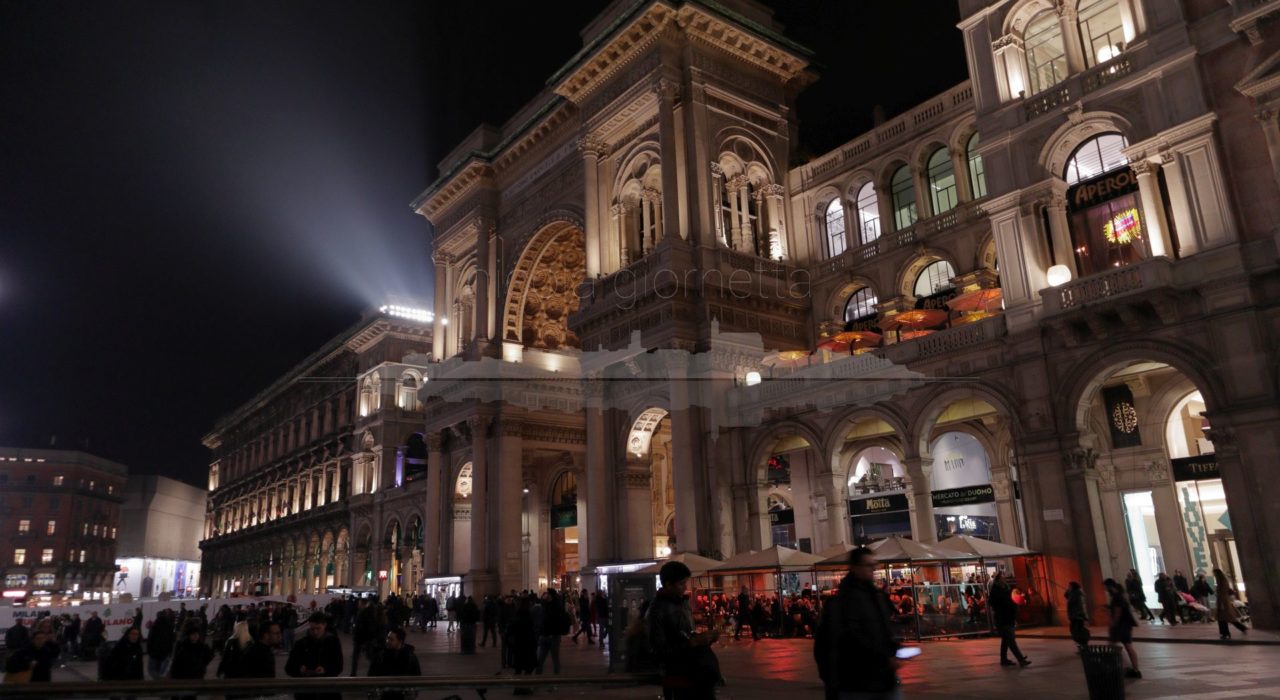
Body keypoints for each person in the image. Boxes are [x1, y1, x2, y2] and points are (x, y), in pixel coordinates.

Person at [813, 547, 900, 700]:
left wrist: (894, 650)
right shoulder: (842, 601)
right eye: (868, 565)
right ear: (855, 567)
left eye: (874, 565)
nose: (873, 569)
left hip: (883, 679)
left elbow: (884, 630)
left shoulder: (876, 596)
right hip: (855, 681)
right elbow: (847, 637)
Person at [648, 560, 722, 700]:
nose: (685, 587)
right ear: (669, 584)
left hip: (697, 672)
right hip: (678, 676)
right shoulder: (657, 610)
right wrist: (692, 643)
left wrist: (705, 638)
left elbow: (688, 635)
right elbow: (658, 651)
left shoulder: (683, 603)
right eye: (681, 583)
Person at [285, 613, 343, 700]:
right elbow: (289, 667)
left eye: (318, 628)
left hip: (328, 692)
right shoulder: (300, 644)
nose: (315, 632)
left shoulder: (333, 642)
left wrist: (325, 670)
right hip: (306, 693)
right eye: (312, 629)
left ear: (324, 625)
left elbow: (339, 666)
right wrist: (299, 669)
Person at [367, 627, 421, 700]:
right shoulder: (380, 655)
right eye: (388, 638)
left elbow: (417, 676)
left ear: (400, 641)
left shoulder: (410, 657)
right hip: (384, 695)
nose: (387, 641)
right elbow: (371, 674)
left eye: (391, 639)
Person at [1103, 578, 1141, 678]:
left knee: (1113, 645)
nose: (1106, 590)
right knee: (1127, 646)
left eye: (1106, 587)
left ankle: (1127, 667)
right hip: (1126, 624)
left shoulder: (1117, 597)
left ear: (1110, 586)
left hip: (1121, 625)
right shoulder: (1120, 595)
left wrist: (1113, 623)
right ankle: (1135, 669)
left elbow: (1117, 612)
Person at [989, 572, 1029, 667]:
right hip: (1003, 619)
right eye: (1003, 578)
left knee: (1006, 641)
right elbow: (1000, 604)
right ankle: (1020, 659)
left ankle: (1004, 659)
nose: (1005, 579)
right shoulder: (997, 592)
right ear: (998, 580)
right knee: (1010, 640)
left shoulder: (1005, 589)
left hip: (1007, 617)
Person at [168, 619, 215, 700]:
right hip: (181, 677)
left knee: (190, 696)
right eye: (193, 634)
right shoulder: (182, 645)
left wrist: (201, 666)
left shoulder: (202, 646)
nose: (196, 636)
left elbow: (209, 656)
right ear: (189, 635)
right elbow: (176, 662)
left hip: (194, 677)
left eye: (197, 634)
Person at [535, 589, 568, 675]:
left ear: (550, 595)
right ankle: (536, 681)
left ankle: (556, 680)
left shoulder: (556, 607)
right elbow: (541, 619)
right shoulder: (545, 605)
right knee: (540, 659)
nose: (545, 595)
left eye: (547, 594)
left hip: (553, 636)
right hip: (544, 635)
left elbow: (555, 621)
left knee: (555, 659)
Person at [1213, 568, 1249, 640]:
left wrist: (1221, 603)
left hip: (1223, 602)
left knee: (1223, 618)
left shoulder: (1222, 581)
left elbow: (1222, 593)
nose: (1214, 575)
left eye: (1214, 573)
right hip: (1223, 601)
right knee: (1227, 618)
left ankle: (1225, 633)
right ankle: (1240, 628)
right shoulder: (1223, 581)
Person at [147, 609, 178, 679]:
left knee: (153, 669)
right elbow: (171, 639)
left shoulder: (154, 626)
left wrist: (149, 650)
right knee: (162, 669)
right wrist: (170, 651)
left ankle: (157, 680)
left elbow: (150, 639)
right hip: (165, 651)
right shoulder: (169, 626)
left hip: (154, 651)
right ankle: (160, 680)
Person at [1065, 581, 1090, 650]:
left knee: (1078, 632)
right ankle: (1082, 646)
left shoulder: (1076, 594)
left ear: (1073, 587)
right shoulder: (1073, 593)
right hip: (1074, 616)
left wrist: (1083, 616)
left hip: (1077, 616)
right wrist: (1068, 591)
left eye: (1069, 586)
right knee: (1075, 631)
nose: (1068, 587)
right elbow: (1066, 596)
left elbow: (1080, 605)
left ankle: (1083, 646)